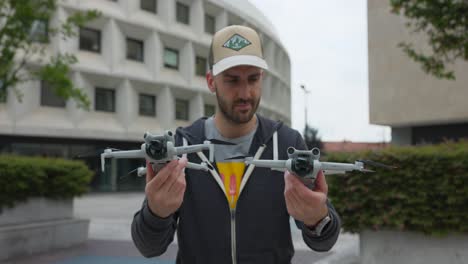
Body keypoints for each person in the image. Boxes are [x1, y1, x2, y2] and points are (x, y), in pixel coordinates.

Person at [131, 25, 341, 264]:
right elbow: (148, 247)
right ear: (211, 81)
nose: (245, 93)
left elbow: (324, 241)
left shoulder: (287, 143)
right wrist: (156, 213)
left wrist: (318, 219)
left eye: (253, 79)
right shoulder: (182, 145)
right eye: (232, 80)